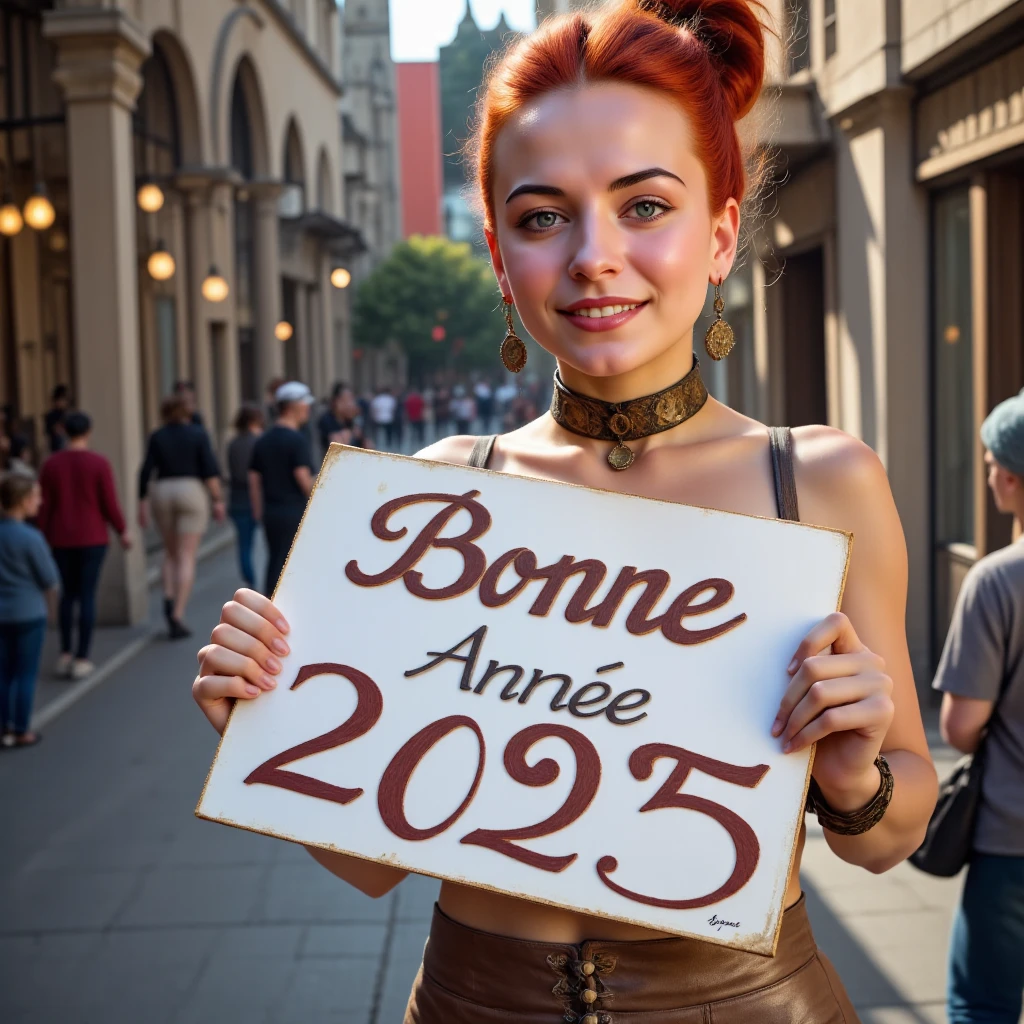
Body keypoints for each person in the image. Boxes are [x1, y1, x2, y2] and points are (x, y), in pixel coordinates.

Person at [193, 3, 938, 1020]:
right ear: (501, 259)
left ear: (719, 234)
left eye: (643, 206)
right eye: (543, 217)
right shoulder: (439, 497)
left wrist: (855, 782)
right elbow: (371, 865)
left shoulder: (817, 479)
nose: (593, 254)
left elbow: (895, 825)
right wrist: (270, 728)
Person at [934, 388, 1024, 1024]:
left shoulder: (997, 580)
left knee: (982, 1006)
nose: (988, 471)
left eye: (992, 460)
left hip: (1011, 838)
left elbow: (961, 728)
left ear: (1014, 477)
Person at [37, 412, 130, 679]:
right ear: (88, 432)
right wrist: (123, 531)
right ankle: (82, 657)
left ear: (64, 431)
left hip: (60, 537)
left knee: (68, 594)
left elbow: (44, 507)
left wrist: (40, 536)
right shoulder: (98, 463)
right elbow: (109, 503)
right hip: (93, 538)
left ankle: (65, 653)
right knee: (87, 594)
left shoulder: (51, 465)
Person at [139, 394, 224, 639]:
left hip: (162, 490)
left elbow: (145, 470)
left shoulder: (157, 436)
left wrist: (141, 503)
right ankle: (177, 613)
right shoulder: (198, 434)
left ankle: (167, 594)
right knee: (186, 556)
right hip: (191, 490)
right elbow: (209, 469)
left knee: (170, 552)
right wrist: (217, 499)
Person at [0, 472, 59, 748]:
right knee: (24, 673)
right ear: (24, 501)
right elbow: (48, 578)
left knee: (3, 672)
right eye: (36, 496)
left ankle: (3, 728)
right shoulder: (31, 537)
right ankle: (22, 729)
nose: (41, 501)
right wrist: (53, 610)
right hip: (28, 612)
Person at [249, 381, 315, 597]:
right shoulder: (297, 440)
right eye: (305, 404)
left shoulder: (263, 440)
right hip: (294, 510)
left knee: (275, 560)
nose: (308, 409)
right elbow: (303, 479)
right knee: (292, 562)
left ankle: (269, 602)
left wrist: (258, 511)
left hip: (271, 511)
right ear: (292, 406)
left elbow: (254, 478)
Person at [226, 404, 265, 591]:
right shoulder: (258, 442)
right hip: (255, 498)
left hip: (236, 498)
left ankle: (249, 579)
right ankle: (254, 581)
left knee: (244, 544)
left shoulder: (233, 443)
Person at [44, 385, 70, 454]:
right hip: (55, 448)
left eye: (63, 400)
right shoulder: (51, 416)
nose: (61, 403)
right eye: (59, 400)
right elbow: (47, 434)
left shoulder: (69, 415)